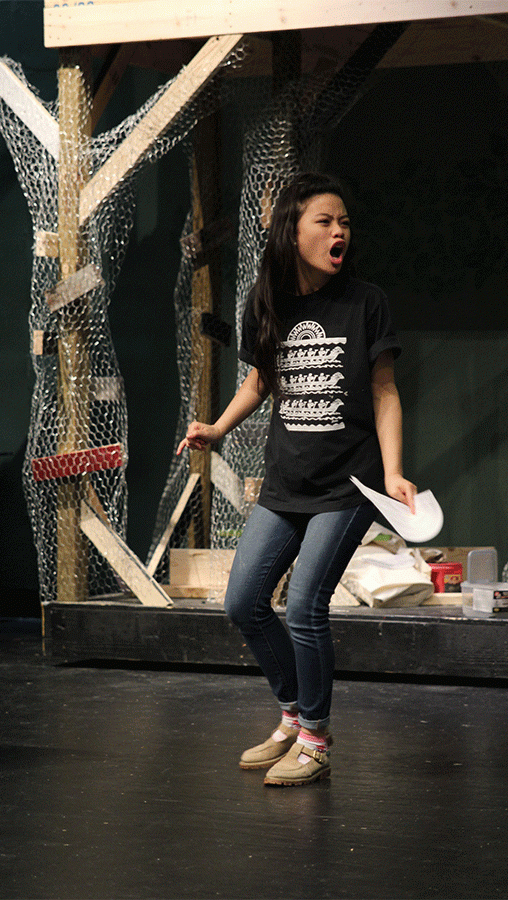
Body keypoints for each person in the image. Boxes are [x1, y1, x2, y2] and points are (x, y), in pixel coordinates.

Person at [177, 172, 416, 786]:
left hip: (349, 484)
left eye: (344, 223)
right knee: (244, 602)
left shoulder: (366, 302)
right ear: (293, 231)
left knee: (306, 604)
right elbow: (261, 381)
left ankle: (315, 736)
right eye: (325, 221)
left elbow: (385, 391)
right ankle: (291, 715)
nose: (340, 231)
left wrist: (392, 472)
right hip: (287, 481)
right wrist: (218, 429)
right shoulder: (270, 302)